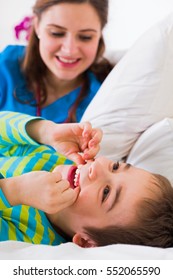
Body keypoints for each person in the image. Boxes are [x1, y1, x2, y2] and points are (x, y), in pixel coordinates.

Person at [0, 111, 173, 248]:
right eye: (115, 167)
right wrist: (45, 132)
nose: (97, 166)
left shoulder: (28, 239)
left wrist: (14, 191)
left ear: (85, 242)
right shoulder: (58, 163)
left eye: (106, 192)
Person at [0, 0, 113, 123]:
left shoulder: (107, 92)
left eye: (85, 37)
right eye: (57, 33)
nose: (70, 50)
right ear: (37, 25)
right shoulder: (6, 67)